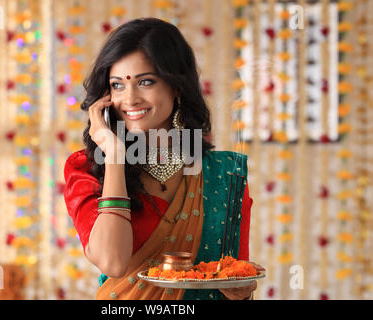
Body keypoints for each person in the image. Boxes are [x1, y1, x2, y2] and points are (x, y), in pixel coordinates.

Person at [64, 17, 262, 300]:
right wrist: (115, 158)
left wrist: (242, 292)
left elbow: (235, 278)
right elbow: (113, 262)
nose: (130, 99)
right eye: (118, 85)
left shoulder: (224, 174)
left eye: (145, 82)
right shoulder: (88, 169)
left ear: (176, 86)